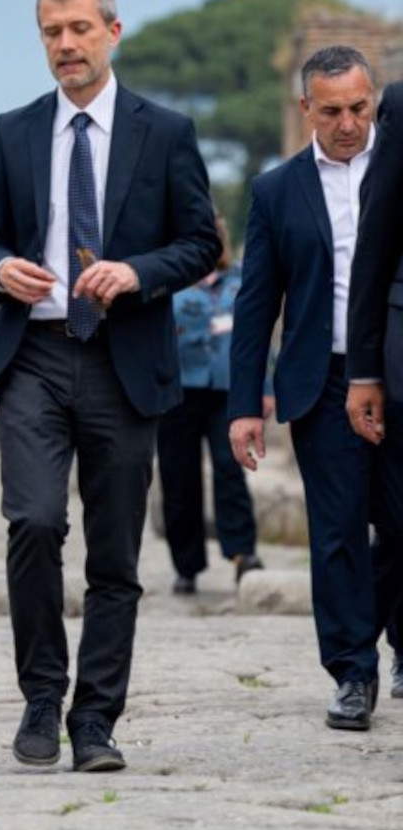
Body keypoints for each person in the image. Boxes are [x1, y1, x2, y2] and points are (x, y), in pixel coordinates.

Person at [0, 0, 219, 774]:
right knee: (34, 522)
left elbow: (201, 242)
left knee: (114, 555)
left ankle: (96, 718)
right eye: (52, 32)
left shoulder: (166, 131)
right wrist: (2, 266)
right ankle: (42, 695)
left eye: (79, 28)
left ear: (113, 31)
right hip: (37, 355)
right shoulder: (12, 131)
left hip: (125, 359)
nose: (66, 45)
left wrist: (136, 272)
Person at [229, 44, 384, 731]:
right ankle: (352, 671)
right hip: (320, 379)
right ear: (305, 110)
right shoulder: (275, 191)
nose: (348, 122)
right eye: (332, 111)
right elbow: (257, 304)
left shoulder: (400, 168)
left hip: (399, 368)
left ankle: (393, 635)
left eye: (359, 107)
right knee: (337, 529)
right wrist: (244, 404)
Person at [157, 213, 263, 594]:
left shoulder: (241, 280)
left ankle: (243, 553)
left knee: (230, 469)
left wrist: (263, 388)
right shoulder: (168, 281)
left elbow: (260, 335)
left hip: (227, 390)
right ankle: (186, 566)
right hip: (177, 391)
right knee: (179, 478)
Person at [346, 74, 403, 699]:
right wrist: (364, 369)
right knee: (398, 526)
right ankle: (371, 647)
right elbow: (374, 249)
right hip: (400, 357)